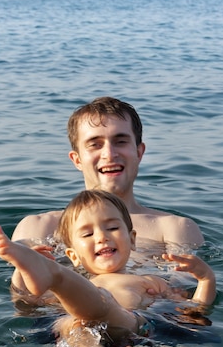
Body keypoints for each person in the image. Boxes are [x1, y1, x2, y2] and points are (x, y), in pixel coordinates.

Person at [0, 190, 216, 347]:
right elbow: (28, 304)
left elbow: (190, 312)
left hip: (131, 325)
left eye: (112, 227)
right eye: (88, 234)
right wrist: (22, 275)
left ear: (132, 239)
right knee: (72, 323)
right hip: (79, 328)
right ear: (73, 256)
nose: (102, 237)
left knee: (101, 304)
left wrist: (206, 280)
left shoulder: (149, 282)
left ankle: (49, 274)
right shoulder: (78, 288)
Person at [11, 97, 204, 294]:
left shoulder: (174, 228)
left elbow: (182, 304)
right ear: (76, 159)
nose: (109, 154)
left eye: (120, 141)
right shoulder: (38, 228)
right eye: (95, 144)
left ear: (139, 152)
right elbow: (23, 302)